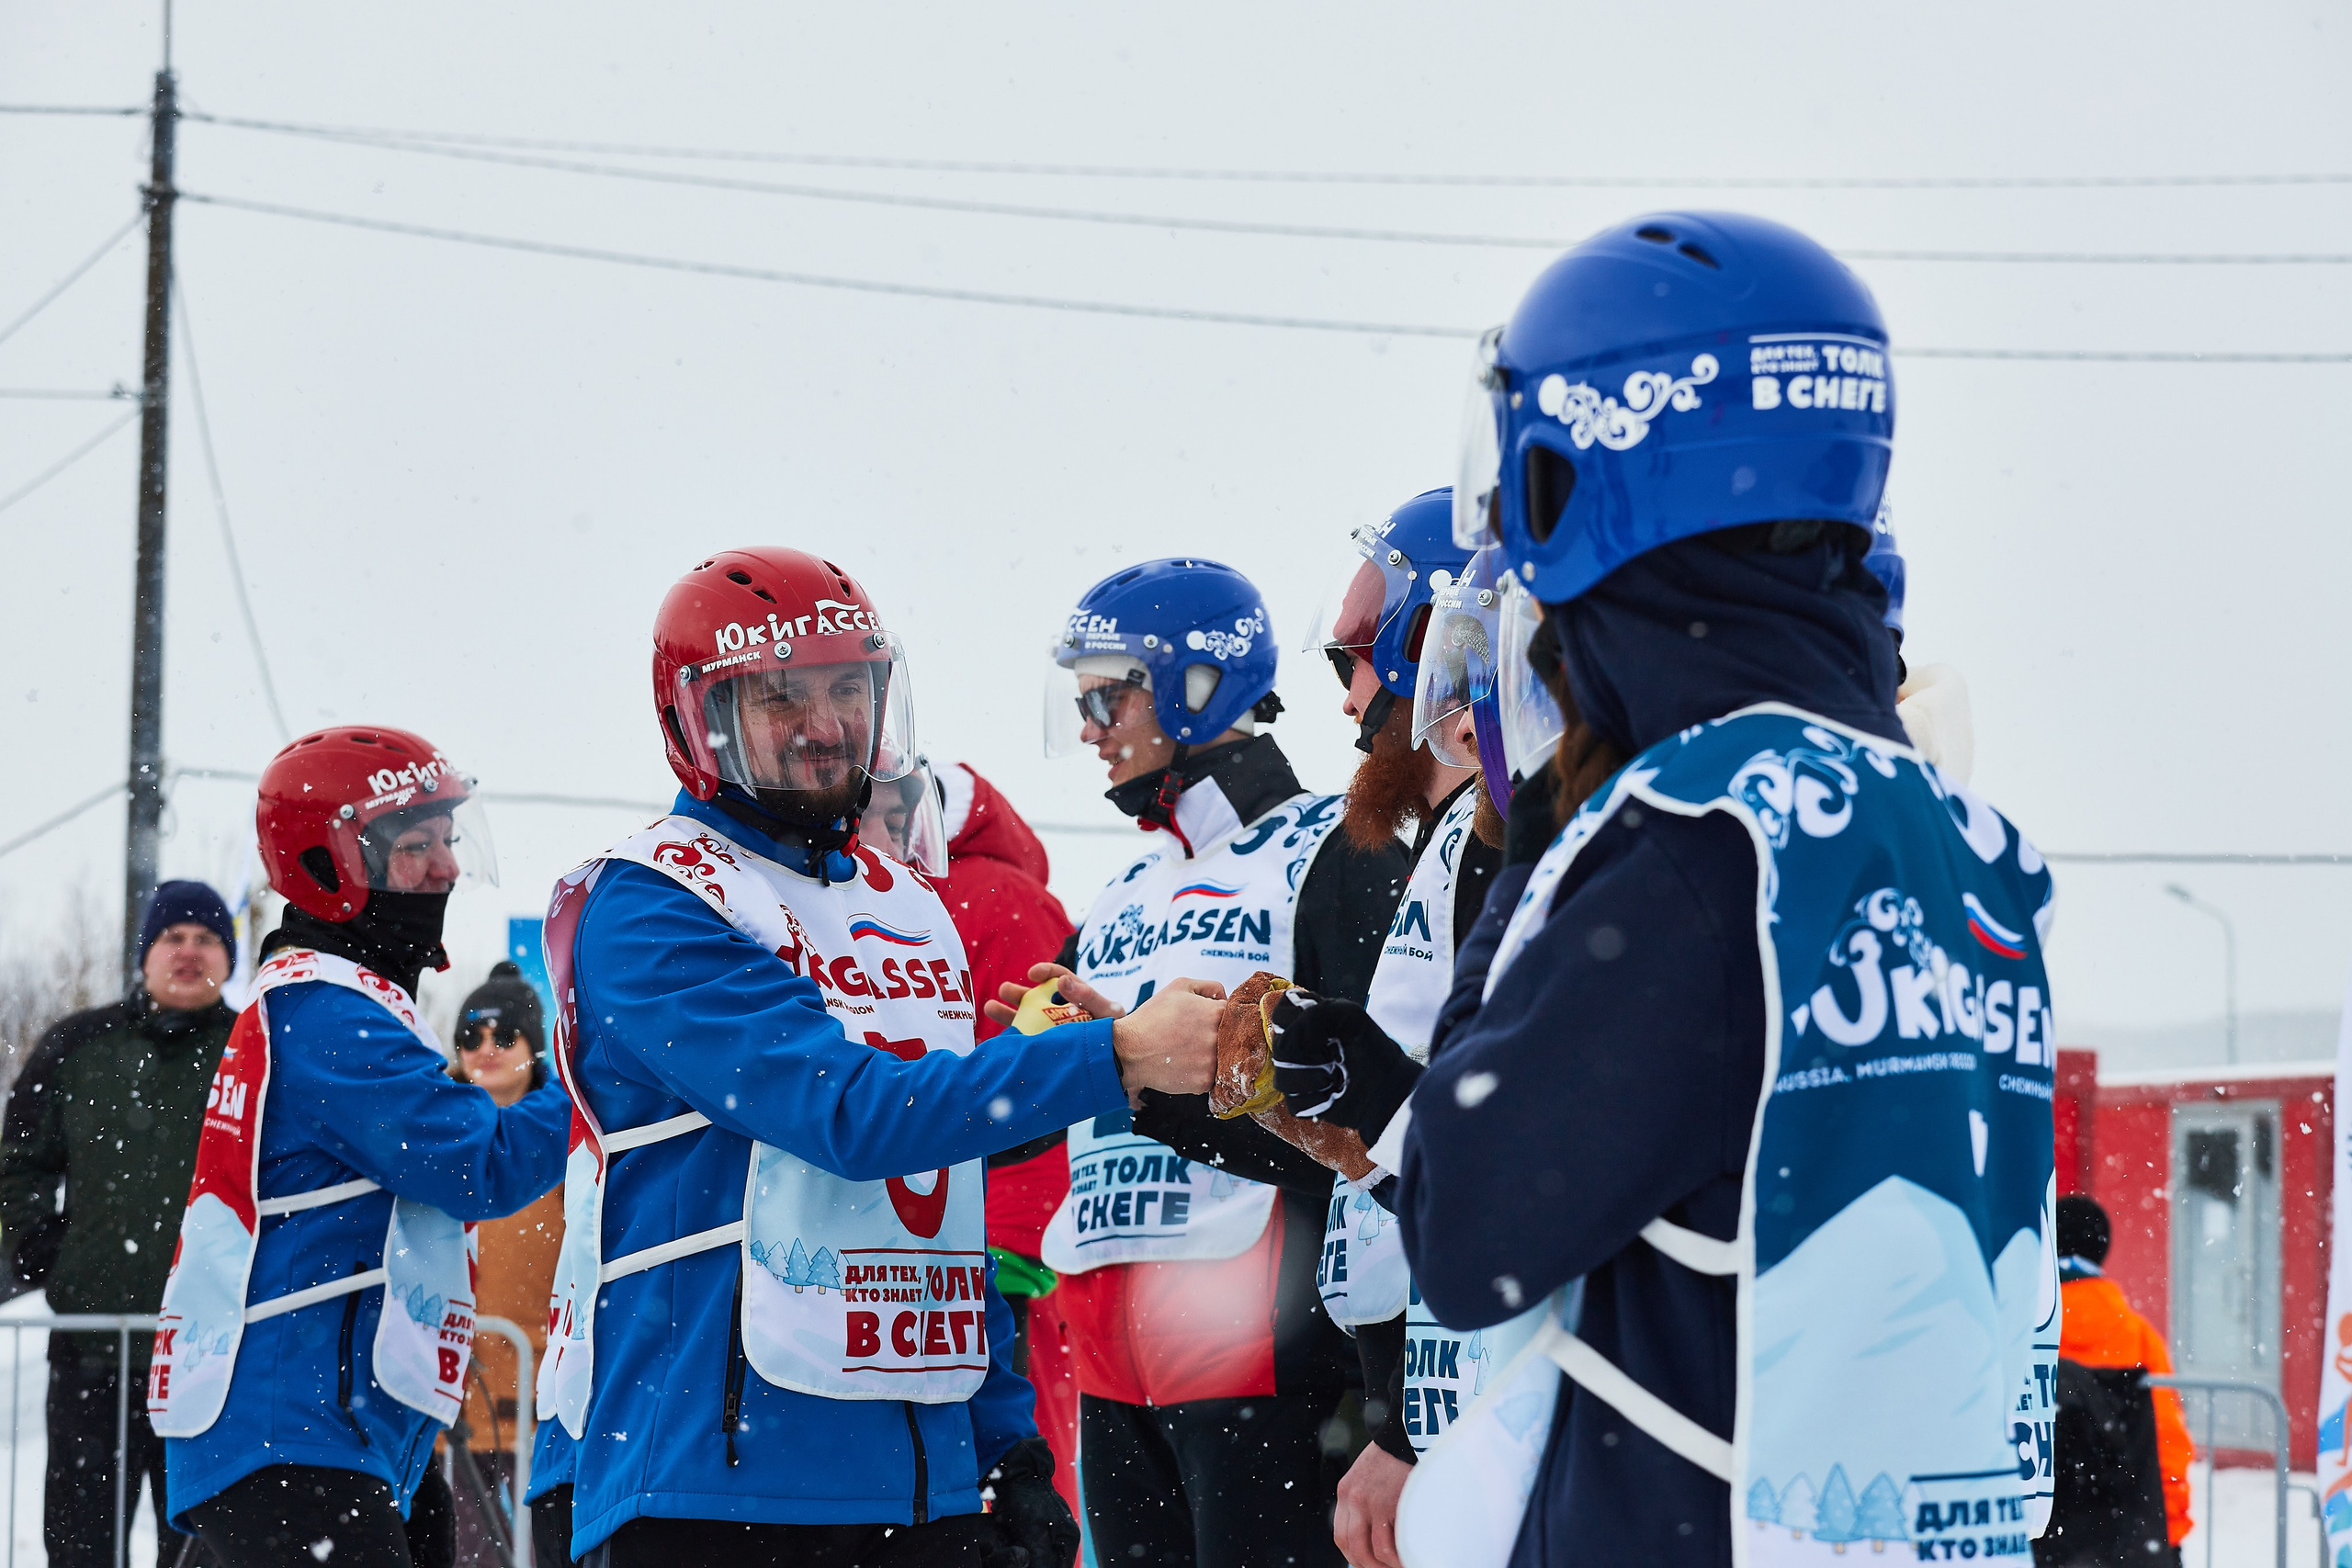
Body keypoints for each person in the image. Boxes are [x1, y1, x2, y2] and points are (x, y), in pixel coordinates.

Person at [1272, 212, 2061, 1565]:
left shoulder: (1696, 836)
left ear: (1582, 476)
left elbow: (1469, 1232)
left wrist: (1531, 840)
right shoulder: (1954, 824)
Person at [537, 546, 1220, 1567]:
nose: (825, 726)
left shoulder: (903, 901)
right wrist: (1112, 1057)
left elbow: (932, 1198)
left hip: (920, 1483)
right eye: (779, 697)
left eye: (848, 688)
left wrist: (1006, 1449)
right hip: (712, 1485)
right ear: (699, 720)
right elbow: (848, 1117)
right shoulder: (650, 901)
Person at [1012, 558, 1409, 1568]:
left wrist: (1385, 1401)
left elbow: (1383, 1128)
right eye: (1082, 700)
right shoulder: (1125, 888)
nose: (1092, 726)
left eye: (1108, 692)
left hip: (1267, 1366)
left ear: (1198, 689)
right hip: (1111, 1366)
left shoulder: (1331, 848)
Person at [151, 728, 574, 1568]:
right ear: (331, 866)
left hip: (311, 1431)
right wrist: (599, 1074)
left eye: (451, 840)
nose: (447, 868)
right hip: (294, 1433)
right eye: (418, 846)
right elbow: (478, 1160)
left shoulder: (330, 1002)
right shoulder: (327, 1016)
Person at [1284, 491, 1504, 1568]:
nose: (1353, 699)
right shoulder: (1423, 843)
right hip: (1434, 1377)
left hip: (1492, 1389)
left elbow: (1497, 1142)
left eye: (1355, 660)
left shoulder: (1519, 835)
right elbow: (1371, 1146)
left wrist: (1396, 1421)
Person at [0, 880, 238, 1567]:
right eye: (173, 937)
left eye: (206, 939)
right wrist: (40, 1247)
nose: (188, 952)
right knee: (80, 1546)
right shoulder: (77, 1045)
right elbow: (20, 1161)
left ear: (227, 957)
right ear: (146, 952)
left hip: (209, 1360)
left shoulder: (257, 1049)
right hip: (91, 1349)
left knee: (200, 1549)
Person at [926, 761, 1086, 1516]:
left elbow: (1029, 1075)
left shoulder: (978, 896)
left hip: (1003, 1213)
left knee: (1017, 1444)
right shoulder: (987, 893)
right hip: (997, 1204)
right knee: (1016, 1444)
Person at [445, 962, 563, 1566]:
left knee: (544, 1551)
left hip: (538, 1396)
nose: (485, 1049)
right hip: (448, 1402)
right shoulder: (430, 1135)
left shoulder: (566, 1136)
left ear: (533, 1045)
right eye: (471, 1036)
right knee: (468, 1554)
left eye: (504, 1035)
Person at [2043, 1194, 2192, 1562]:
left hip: (2041, 1538)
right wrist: (2167, 1533)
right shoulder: (2139, 1337)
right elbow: (2167, 1442)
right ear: (2103, 1250)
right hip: (2121, 1532)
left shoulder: (2022, 1333)